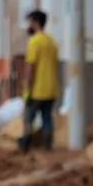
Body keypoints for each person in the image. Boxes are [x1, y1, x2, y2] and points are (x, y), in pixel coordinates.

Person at [20, 10, 59, 152]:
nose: (28, 25)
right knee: (47, 118)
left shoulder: (34, 41)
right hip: (51, 89)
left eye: (30, 22)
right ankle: (48, 145)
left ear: (36, 22)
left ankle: (25, 145)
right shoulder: (52, 41)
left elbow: (30, 67)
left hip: (37, 89)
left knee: (28, 118)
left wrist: (27, 88)